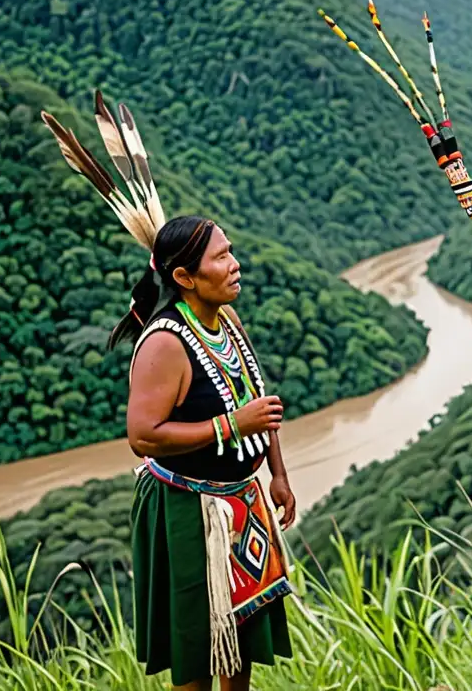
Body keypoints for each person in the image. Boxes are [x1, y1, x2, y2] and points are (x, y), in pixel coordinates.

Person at [42, 94, 296, 691]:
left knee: (239, 653)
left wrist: (276, 473)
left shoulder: (224, 322)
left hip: (241, 505)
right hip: (187, 512)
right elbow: (142, 436)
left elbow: (260, 401)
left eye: (231, 250)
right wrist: (232, 428)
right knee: (199, 654)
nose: (236, 263)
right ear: (184, 278)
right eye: (221, 256)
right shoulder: (164, 344)